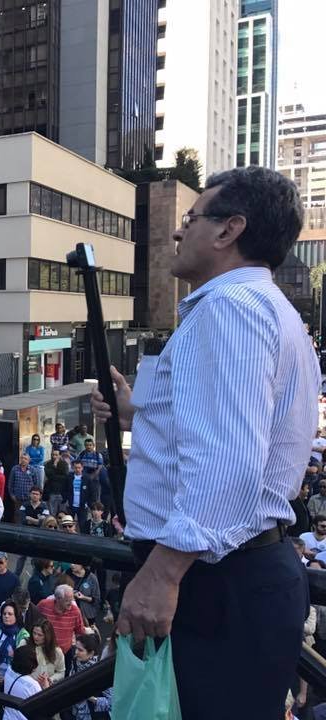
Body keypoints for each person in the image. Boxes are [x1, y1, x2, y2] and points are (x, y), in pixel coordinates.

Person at [91, 167, 317, 719]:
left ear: (228, 231)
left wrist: (163, 574)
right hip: (236, 575)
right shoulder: (270, 311)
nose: (176, 232)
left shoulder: (227, 310)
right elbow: (231, 433)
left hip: (213, 582)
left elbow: (229, 461)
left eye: (191, 219)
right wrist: (136, 414)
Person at [67, 633, 113, 719]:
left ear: (91, 653)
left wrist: (91, 698)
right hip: (77, 714)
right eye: (76, 648)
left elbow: (111, 703)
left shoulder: (100, 671)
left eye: (80, 650)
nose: (76, 652)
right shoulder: (75, 662)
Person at [36, 585, 85, 656]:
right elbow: (33, 620)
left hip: (64, 654)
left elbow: (80, 631)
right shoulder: (43, 605)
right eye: (67, 600)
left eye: (72, 600)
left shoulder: (75, 611)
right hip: (43, 651)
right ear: (58, 599)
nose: (70, 603)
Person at [17, 618, 65, 688]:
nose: (35, 637)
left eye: (40, 635)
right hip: (26, 687)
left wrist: (50, 680)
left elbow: (61, 672)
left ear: (47, 636)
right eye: (34, 633)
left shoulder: (57, 651)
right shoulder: (24, 644)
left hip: (45, 689)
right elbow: (16, 666)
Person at [0, 644, 43, 719]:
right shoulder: (32, 685)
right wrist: (46, 687)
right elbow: (43, 706)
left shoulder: (9, 670)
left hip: (7, 716)